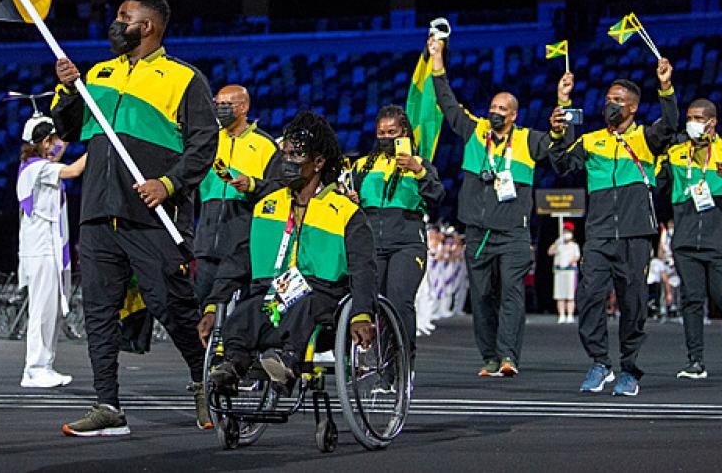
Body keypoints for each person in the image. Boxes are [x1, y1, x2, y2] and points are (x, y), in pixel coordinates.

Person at [51, 0, 219, 437]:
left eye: (123, 17)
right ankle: (108, 405)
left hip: (152, 213)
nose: (115, 24)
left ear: (146, 26)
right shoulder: (100, 75)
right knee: (99, 312)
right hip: (99, 211)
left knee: (170, 302)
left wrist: (169, 184)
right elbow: (68, 130)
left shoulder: (183, 78)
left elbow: (206, 144)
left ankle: (204, 379)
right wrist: (68, 89)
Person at [199, 111, 377, 390]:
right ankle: (232, 365)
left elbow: (364, 268)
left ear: (318, 162)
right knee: (245, 312)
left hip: (321, 296)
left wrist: (362, 313)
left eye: (296, 156)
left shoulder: (345, 212)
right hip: (273, 293)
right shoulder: (267, 206)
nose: (287, 163)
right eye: (285, 155)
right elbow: (239, 258)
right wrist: (213, 304)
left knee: (302, 304)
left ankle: (286, 362)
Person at [430, 37, 572, 378]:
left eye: (502, 110)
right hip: (477, 232)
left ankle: (509, 357)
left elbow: (559, 150)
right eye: (492, 107)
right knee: (481, 298)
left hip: (512, 233)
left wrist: (563, 103)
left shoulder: (527, 139)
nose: (495, 113)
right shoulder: (475, 130)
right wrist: (437, 60)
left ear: (514, 114)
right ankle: (490, 357)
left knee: (510, 293)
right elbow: (448, 104)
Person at [550, 58, 678, 397]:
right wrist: (561, 118)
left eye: (618, 100)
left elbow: (670, 125)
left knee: (633, 304)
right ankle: (599, 362)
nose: (611, 104)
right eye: (608, 98)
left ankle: (629, 370)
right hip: (599, 234)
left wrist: (665, 87)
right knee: (589, 298)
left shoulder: (648, 138)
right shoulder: (591, 141)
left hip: (636, 234)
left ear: (633, 108)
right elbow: (562, 164)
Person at [657, 99, 722, 378]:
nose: (691, 122)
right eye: (689, 117)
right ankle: (695, 361)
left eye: (697, 118)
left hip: (721, 238)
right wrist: (659, 162)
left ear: (712, 122)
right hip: (686, 239)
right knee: (691, 300)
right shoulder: (677, 153)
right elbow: (660, 186)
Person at [347, 105, 444, 359]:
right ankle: (384, 365)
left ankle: (402, 364)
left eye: (392, 131)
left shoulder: (420, 164)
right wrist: (351, 198)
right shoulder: (361, 167)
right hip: (371, 244)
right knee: (373, 305)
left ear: (404, 133)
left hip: (407, 243)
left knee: (399, 302)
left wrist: (417, 169)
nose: (386, 137)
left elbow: (437, 195)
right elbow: (348, 204)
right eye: (381, 132)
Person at [16, 115, 87, 389]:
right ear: (45, 142)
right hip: (40, 248)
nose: (59, 145)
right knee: (42, 310)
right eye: (54, 139)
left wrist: (68, 131)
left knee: (51, 310)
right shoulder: (36, 168)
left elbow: (58, 153)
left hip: (48, 248)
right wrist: (100, 145)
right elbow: (73, 171)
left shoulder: (38, 164)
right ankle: (34, 368)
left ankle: (44, 365)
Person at [194, 84, 279, 303]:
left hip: (242, 245)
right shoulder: (208, 142)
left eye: (226, 105)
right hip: (206, 241)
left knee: (237, 315)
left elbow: (279, 190)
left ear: (243, 107)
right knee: (200, 310)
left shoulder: (265, 145)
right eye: (218, 104)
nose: (220, 109)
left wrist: (252, 185)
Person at [547, 223, 581, 323]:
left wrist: (569, 262)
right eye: (564, 231)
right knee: (560, 295)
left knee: (570, 295)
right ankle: (561, 315)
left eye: (568, 231)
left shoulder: (574, 245)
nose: (566, 233)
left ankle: (570, 315)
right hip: (559, 272)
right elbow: (549, 252)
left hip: (570, 272)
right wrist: (557, 243)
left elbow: (577, 256)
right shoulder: (559, 244)